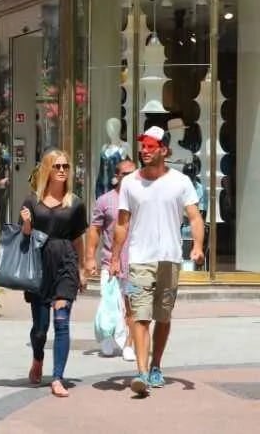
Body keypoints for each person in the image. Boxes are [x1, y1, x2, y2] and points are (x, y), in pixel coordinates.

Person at [110, 126, 205, 396]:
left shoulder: (180, 182)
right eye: (143, 146)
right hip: (139, 260)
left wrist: (197, 247)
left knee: (163, 317)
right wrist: (115, 257)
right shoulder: (130, 183)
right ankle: (140, 372)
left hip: (170, 259)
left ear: (164, 149)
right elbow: (121, 224)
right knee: (139, 316)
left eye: (151, 147)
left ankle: (156, 366)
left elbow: (195, 218)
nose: (145, 151)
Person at [20, 149, 89, 397]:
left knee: (61, 323)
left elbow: (78, 238)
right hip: (38, 266)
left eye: (66, 167)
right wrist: (27, 223)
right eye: (57, 166)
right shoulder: (32, 202)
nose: (62, 171)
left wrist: (82, 268)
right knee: (40, 328)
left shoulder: (76, 203)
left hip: (66, 264)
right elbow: (24, 236)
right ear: (48, 169)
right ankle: (38, 358)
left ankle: (58, 377)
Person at [86, 159, 137, 361]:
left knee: (133, 305)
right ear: (117, 177)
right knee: (109, 304)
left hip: (136, 265)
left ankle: (129, 345)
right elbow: (94, 230)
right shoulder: (105, 201)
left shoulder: (141, 200)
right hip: (110, 264)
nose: (131, 177)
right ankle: (107, 338)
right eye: (126, 174)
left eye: (134, 173)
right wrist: (90, 257)